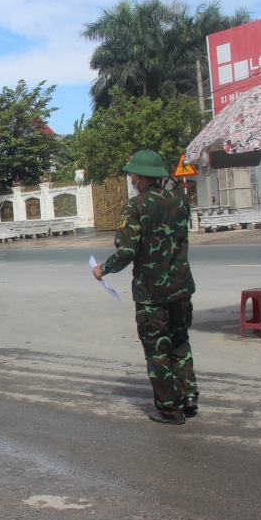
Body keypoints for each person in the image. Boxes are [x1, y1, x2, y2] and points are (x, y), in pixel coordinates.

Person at [93, 150, 197, 425]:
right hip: (182, 288)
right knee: (180, 342)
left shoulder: (135, 207)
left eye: (132, 175)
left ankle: (169, 410)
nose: (131, 179)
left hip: (153, 294)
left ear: (139, 176)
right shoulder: (181, 201)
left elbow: (126, 252)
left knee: (157, 350)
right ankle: (189, 396)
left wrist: (102, 269)